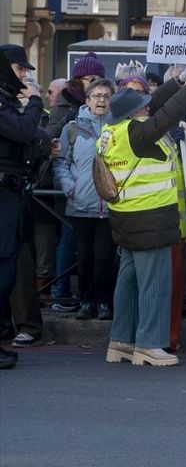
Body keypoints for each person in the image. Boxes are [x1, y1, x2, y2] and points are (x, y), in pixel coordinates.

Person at [98, 59, 186, 368]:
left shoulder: (114, 129)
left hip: (125, 217)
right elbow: (166, 115)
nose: (147, 108)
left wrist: (181, 78)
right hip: (149, 218)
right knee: (155, 284)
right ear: (134, 113)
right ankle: (149, 345)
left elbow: (157, 103)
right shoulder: (138, 133)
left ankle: (120, 341)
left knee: (128, 282)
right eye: (142, 106)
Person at [55, 77, 117, 323]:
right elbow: (61, 163)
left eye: (106, 96)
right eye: (97, 96)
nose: (101, 100)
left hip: (110, 206)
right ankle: (86, 301)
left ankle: (103, 302)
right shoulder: (72, 128)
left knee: (104, 257)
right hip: (80, 204)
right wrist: (71, 188)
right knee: (84, 257)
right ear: (88, 100)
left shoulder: (119, 126)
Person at [0, 45, 46, 370]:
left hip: (11, 191)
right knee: (3, 266)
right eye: (20, 70)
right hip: (3, 192)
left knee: (7, 264)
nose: (26, 77)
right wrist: (35, 101)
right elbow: (21, 129)